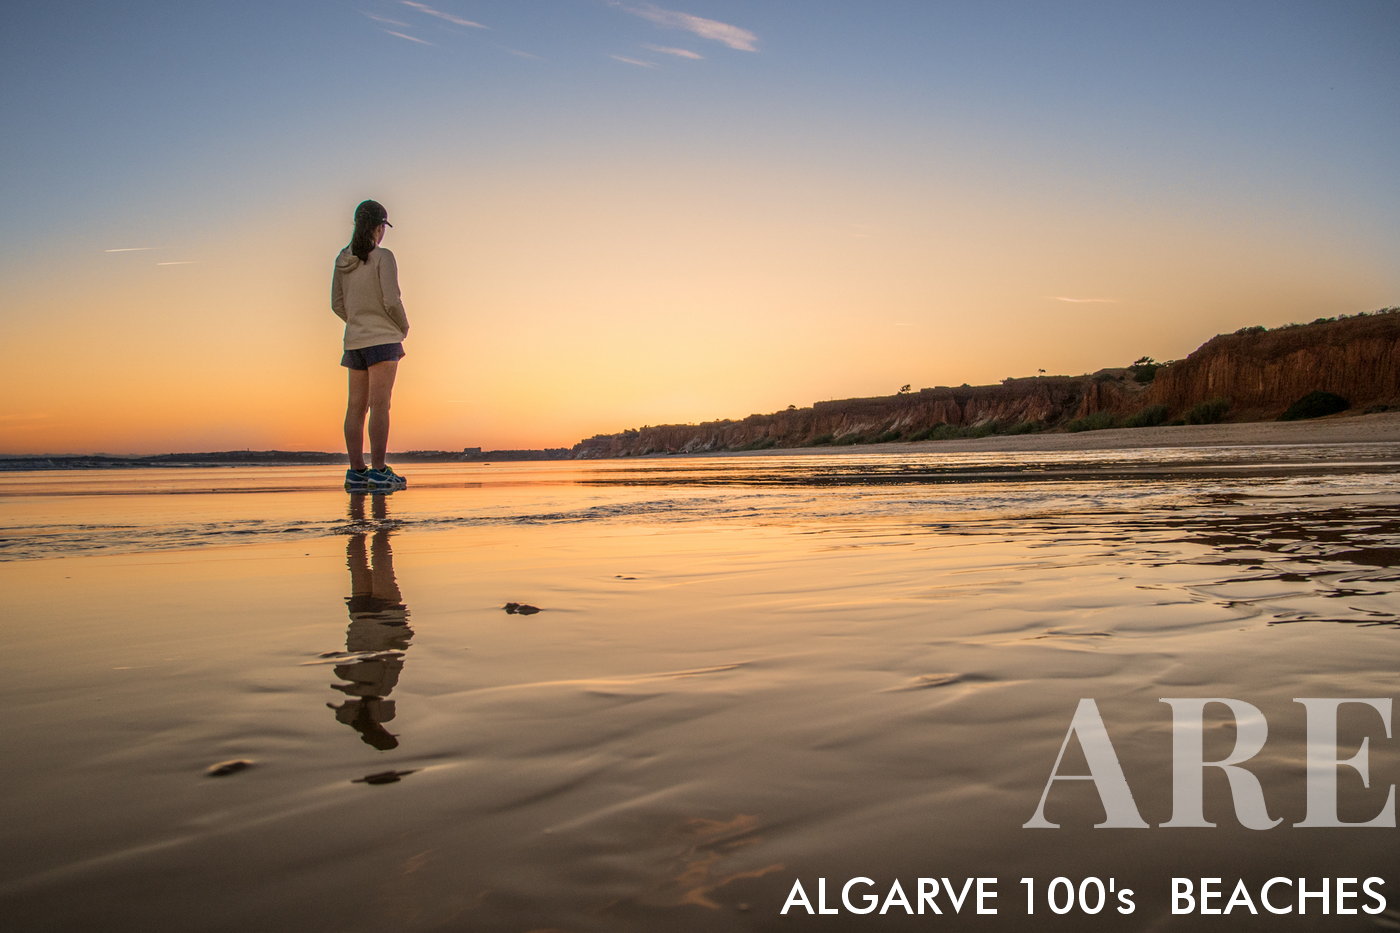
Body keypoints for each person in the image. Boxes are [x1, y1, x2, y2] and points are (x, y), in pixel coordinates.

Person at [332, 199, 409, 489]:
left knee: (355, 408)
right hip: (383, 338)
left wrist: (356, 321)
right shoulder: (383, 257)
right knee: (380, 405)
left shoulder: (342, 259)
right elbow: (391, 299)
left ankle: (356, 471)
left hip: (354, 340)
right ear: (379, 227)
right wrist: (401, 325)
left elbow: (337, 304)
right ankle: (378, 470)